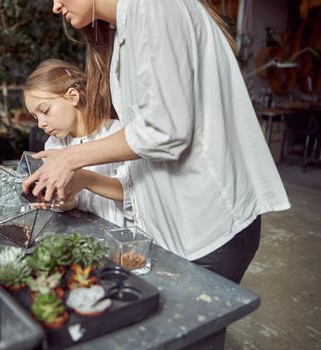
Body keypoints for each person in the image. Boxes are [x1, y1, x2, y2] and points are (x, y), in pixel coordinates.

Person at [23, 0, 291, 284]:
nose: (55, 5)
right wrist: (84, 180)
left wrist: (71, 158)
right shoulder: (128, 27)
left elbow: (165, 130)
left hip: (209, 226)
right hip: (179, 227)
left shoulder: (154, 7)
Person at [24, 58, 131, 227]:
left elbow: (133, 195)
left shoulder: (118, 134)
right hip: (84, 231)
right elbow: (72, 201)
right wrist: (58, 200)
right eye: (35, 117)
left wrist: (87, 179)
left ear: (73, 97)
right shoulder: (53, 145)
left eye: (45, 111)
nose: (40, 124)